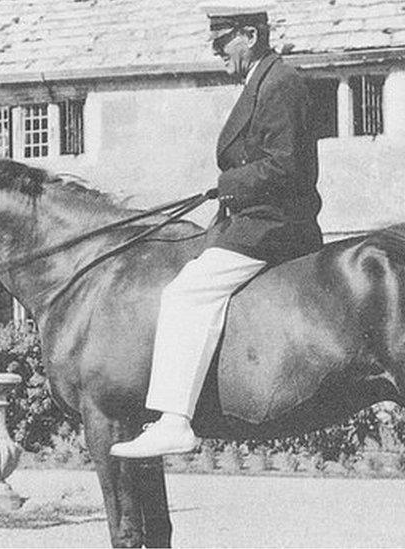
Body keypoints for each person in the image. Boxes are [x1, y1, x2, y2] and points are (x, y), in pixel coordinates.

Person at [110, 0, 323, 459]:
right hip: (252, 219)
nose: (216, 51)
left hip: (275, 226)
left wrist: (226, 185)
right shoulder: (262, 82)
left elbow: (286, 166)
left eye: (222, 40)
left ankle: (175, 421)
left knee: (185, 295)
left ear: (250, 35)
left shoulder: (281, 84)